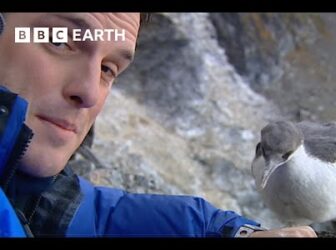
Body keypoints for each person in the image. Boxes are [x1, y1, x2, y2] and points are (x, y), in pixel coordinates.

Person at [0, 12, 317, 237]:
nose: (89, 91)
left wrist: (234, 233)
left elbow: (86, 213)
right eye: (60, 40)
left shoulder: (18, 184)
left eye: (108, 69)